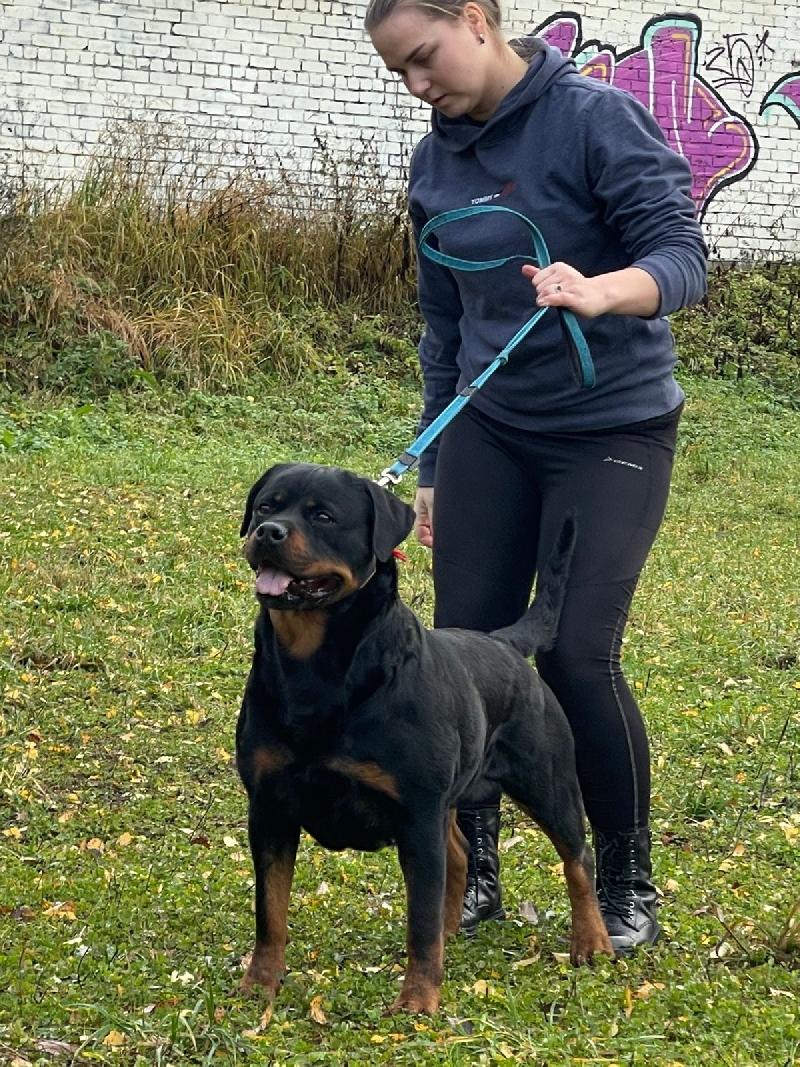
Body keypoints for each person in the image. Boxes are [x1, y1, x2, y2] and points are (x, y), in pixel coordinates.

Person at [365, 0, 707, 955]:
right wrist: (434, 461)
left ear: (476, 20)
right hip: (489, 432)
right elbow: (444, 325)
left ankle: (625, 879)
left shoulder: (595, 119)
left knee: (574, 654)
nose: (417, 85)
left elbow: (684, 259)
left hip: (614, 427)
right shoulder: (434, 163)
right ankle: (471, 873)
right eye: (398, 72)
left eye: (424, 58)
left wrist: (603, 289)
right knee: (463, 651)